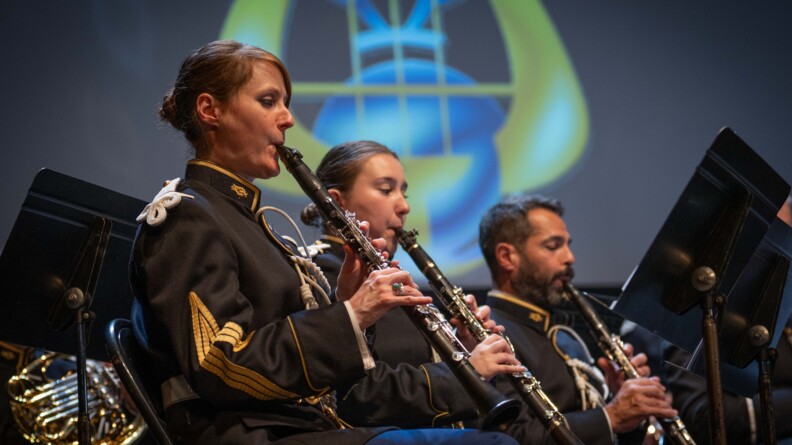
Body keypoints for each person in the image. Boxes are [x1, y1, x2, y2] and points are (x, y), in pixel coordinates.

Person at [130, 39, 518, 444]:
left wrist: (345, 305)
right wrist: (350, 315)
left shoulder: (244, 219)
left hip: (301, 428)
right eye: (268, 101)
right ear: (211, 110)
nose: (287, 119)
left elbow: (327, 379)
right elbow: (222, 365)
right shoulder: (188, 214)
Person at [300, 140, 527, 430]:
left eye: (404, 192)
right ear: (337, 201)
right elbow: (359, 396)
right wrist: (466, 373)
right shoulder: (314, 275)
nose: (404, 206)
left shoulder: (395, 281)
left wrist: (462, 348)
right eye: (386, 190)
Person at [478, 193, 679, 445]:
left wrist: (628, 409)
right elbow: (510, 438)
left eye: (568, 245)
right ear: (507, 257)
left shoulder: (565, 337)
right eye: (553, 246)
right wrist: (609, 416)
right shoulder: (485, 333)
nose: (569, 257)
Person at [662, 195, 792, 444]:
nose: (780, 256)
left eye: (786, 242)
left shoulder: (787, 310)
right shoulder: (696, 314)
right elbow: (705, 417)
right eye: (771, 240)